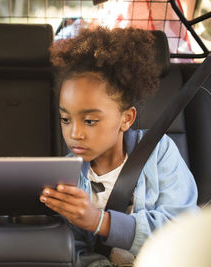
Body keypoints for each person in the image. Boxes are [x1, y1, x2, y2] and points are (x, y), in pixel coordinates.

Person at [40, 27, 198, 266]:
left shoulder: (159, 151)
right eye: (65, 119)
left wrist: (100, 221)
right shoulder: (69, 175)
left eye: (90, 121)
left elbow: (182, 227)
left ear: (126, 119)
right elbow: (75, 249)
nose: (74, 134)